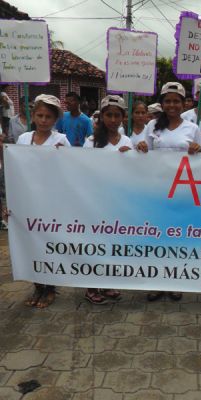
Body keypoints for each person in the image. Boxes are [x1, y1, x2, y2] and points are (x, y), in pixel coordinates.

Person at [137, 82, 201, 302]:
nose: (172, 105)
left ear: (183, 103)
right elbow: (141, 154)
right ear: (162, 103)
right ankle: (156, 282)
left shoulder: (192, 128)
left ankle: (175, 281)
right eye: (168, 101)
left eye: (176, 101)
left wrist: (198, 149)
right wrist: (142, 148)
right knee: (156, 238)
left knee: (177, 238)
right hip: (157, 191)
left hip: (182, 192)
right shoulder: (152, 126)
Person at [17, 94, 70, 308]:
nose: (43, 120)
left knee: (49, 243)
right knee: (31, 244)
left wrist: (62, 157)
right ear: (33, 116)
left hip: (52, 202)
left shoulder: (60, 140)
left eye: (48, 116)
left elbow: (68, 170)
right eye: (39, 115)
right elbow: (17, 169)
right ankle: (37, 286)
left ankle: (50, 288)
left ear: (55, 119)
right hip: (28, 200)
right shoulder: (23, 139)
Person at [83, 95, 133, 304]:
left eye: (117, 115)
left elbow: (134, 171)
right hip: (97, 202)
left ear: (123, 117)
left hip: (118, 201)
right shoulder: (91, 142)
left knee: (112, 245)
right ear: (101, 116)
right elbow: (84, 168)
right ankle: (91, 287)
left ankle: (108, 283)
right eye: (109, 115)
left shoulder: (127, 141)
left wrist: (131, 155)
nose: (113, 119)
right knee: (95, 244)